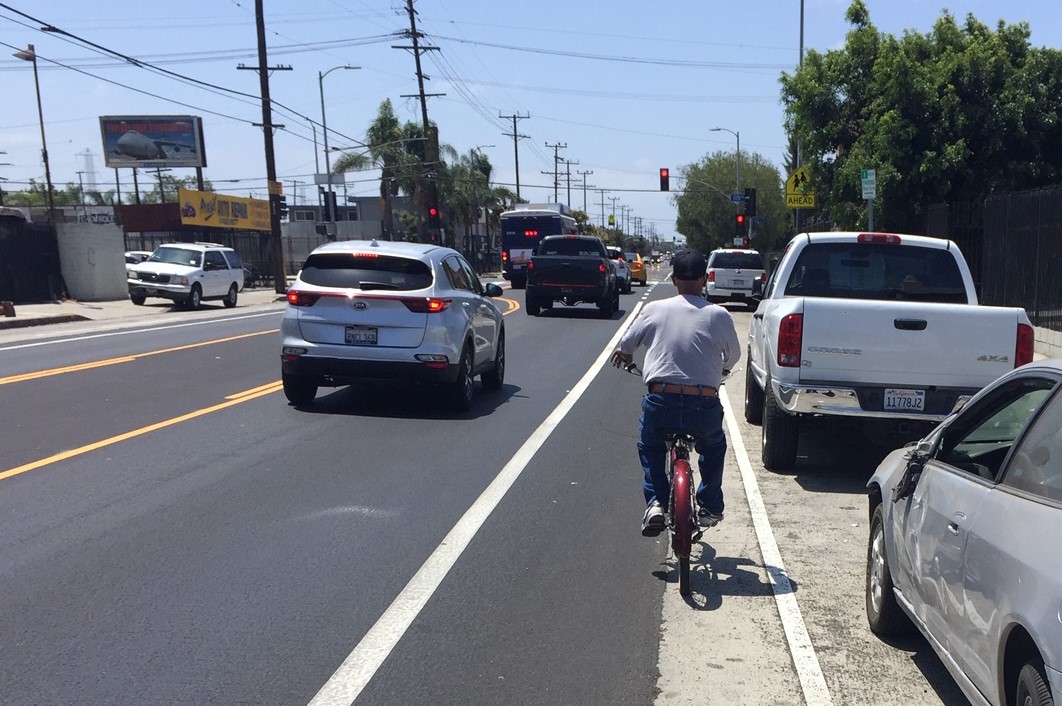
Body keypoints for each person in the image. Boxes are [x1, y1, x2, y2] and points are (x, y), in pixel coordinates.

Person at [610, 248, 741, 536]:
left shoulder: (654, 309)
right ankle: (709, 505)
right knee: (713, 447)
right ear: (705, 279)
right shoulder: (719, 315)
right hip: (703, 405)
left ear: (673, 278)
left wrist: (628, 355)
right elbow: (733, 357)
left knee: (651, 447)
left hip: (661, 401)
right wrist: (720, 372)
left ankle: (656, 502)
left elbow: (627, 344)